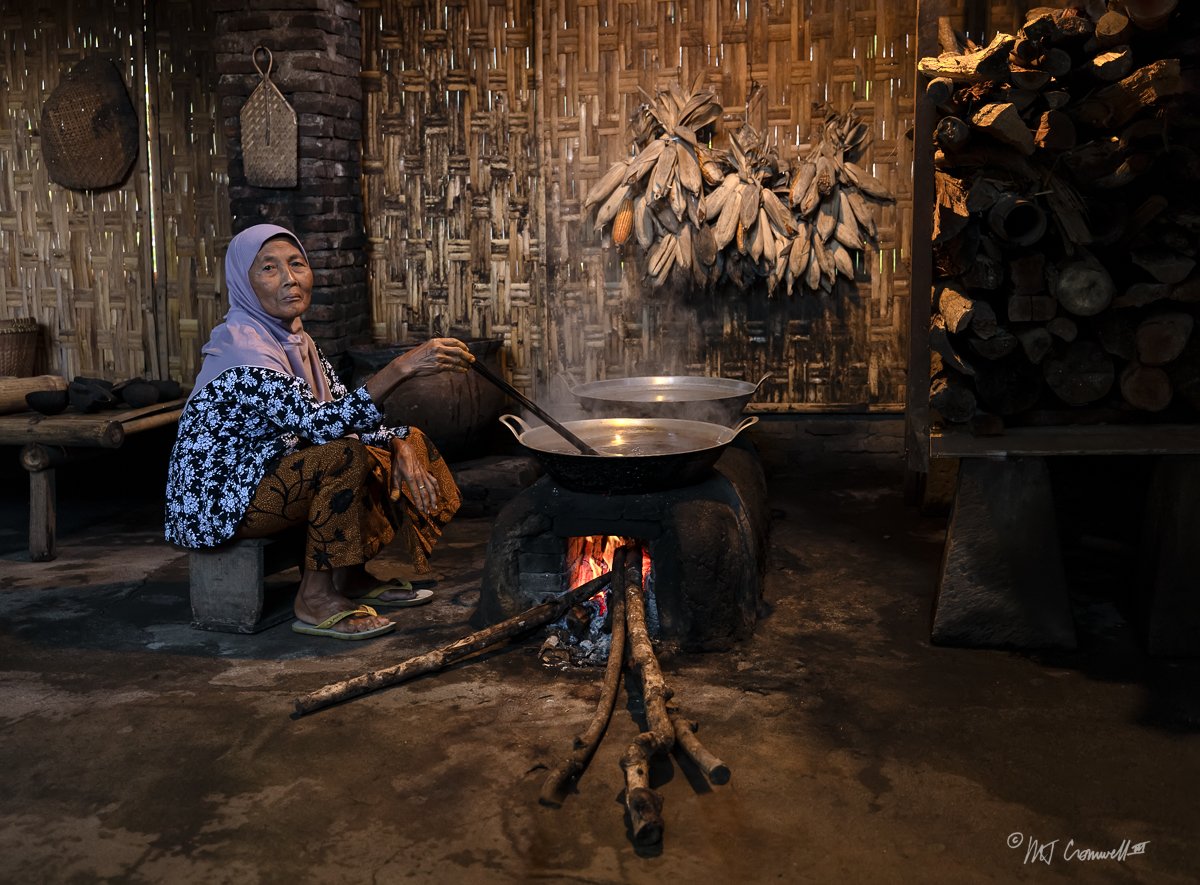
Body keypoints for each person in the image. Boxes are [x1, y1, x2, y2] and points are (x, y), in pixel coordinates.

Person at [165, 223, 474, 640]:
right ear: (244, 282)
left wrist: (400, 441)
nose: (290, 278)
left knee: (405, 440)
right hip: (222, 501)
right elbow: (324, 426)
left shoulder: (298, 343)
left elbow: (348, 417)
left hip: (269, 474)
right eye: (269, 269)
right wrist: (403, 366)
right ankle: (314, 597)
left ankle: (351, 577)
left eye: (296, 264)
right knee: (345, 456)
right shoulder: (242, 351)